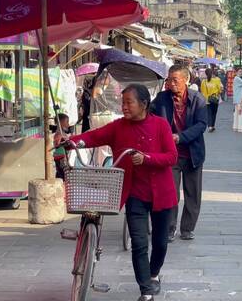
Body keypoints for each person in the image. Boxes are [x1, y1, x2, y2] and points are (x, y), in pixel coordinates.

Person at [70, 84, 178, 301]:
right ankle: (146, 290)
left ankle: (154, 274)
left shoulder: (160, 125)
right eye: (123, 102)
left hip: (162, 195)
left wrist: (147, 158)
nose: (124, 106)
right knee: (139, 244)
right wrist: (71, 142)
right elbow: (95, 136)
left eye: (129, 102)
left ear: (144, 104)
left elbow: (171, 157)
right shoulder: (119, 127)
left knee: (160, 243)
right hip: (135, 195)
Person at [151, 65, 207, 242]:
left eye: (175, 80)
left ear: (186, 80)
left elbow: (201, 125)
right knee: (170, 193)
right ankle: (169, 228)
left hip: (192, 154)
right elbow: (149, 116)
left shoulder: (198, 99)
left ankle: (187, 229)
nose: (171, 83)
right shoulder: (161, 98)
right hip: (170, 155)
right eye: (169, 79)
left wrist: (180, 137)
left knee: (193, 193)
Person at [201, 68, 223, 133]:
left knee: (209, 113)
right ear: (212, 73)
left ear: (206, 74)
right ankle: (213, 126)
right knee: (214, 113)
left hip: (207, 100)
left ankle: (210, 126)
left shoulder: (203, 81)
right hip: (215, 99)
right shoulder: (217, 80)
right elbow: (220, 89)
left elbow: (202, 91)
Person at [52, 113, 71, 180]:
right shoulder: (58, 133)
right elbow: (57, 143)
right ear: (60, 122)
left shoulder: (62, 133)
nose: (68, 124)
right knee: (62, 175)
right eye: (67, 122)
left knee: (60, 173)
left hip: (63, 156)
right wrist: (63, 141)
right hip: (60, 157)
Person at [232, 67, 242, 132]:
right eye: (240, 71)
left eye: (241, 71)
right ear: (236, 72)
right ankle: (241, 128)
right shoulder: (237, 78)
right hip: (239, 98)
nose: (241, 73)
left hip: (237, 98)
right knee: (241, 112)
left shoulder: (236, 78)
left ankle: (236, 126)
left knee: (237, 113)